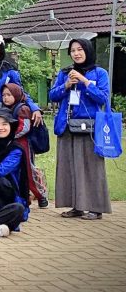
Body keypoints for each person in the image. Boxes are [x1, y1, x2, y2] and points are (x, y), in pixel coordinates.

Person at [50, 38, 112, 220]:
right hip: (67, 125)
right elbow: (53, 95)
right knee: (69, 166)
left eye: (80, 49)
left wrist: (85, 81)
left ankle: (96, 207)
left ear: (87, 51)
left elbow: (103, 98)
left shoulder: (99, 73)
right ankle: (76, 206)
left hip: (90, 127)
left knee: (91, 167)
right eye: (73, 50)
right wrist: (66, 85)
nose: (76, 53)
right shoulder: (65, 73)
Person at [0, 108, 31, 223]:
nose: (0, 128)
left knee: (0, 181)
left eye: (4, 124)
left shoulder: (16, 149)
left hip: (7, 187)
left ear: (11, 126)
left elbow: (1, 170)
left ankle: (2, 211)